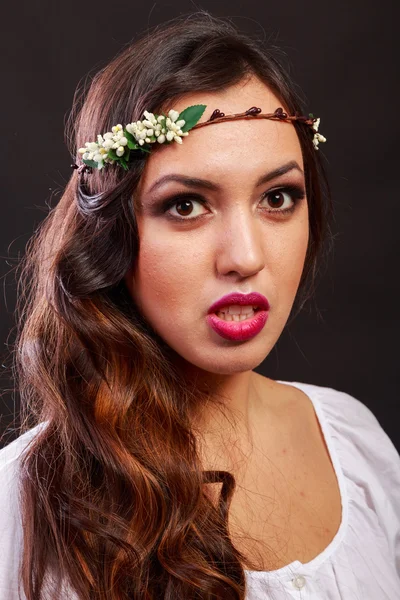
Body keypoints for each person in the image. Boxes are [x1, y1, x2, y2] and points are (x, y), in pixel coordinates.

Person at [0, 10, 399, 600]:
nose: (244, 257)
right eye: (186, 205)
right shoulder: (22, 503)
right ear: (114, 230)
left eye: (278, 197)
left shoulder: (356, 445)